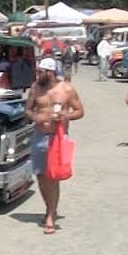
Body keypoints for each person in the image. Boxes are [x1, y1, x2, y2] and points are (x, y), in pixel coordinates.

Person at [24, 57, 85, 235]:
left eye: (41, 71)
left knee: (54, 176)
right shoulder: (36, 88)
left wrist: (66, 116)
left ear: (51, 72)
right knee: (42, 176)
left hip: (57, 137)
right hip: (39, 136)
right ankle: (49, 208)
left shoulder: (66, 89)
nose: (38, 74)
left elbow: (80, 111)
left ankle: (50, 216)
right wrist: (36, 117)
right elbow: (27, 109)